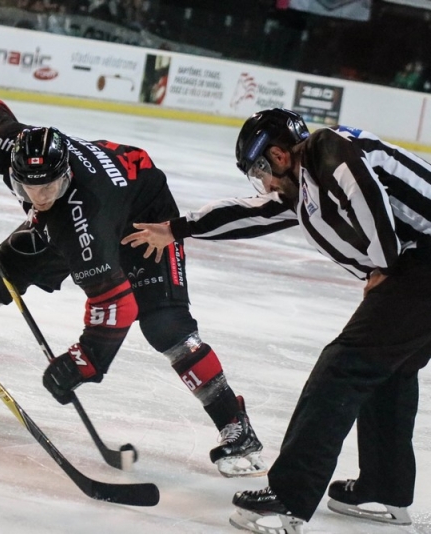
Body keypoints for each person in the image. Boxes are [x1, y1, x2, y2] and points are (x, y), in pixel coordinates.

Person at [0, 99, 268, 478]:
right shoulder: (10, 143)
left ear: (66, 176)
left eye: (49, 187)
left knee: (167, 327)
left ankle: (236, 426)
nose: (39, 197)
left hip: (145, 220)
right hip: (88, 203)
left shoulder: (85, 223)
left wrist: (85, 360)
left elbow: (117, 306)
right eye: (29, 188)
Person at [121, 108, 431, 532]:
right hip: (416, 264)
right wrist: (176, 229)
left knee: (342, 368)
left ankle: (288, 499)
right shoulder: (306, 185)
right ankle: (384, 489)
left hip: (420, 263)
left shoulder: (330, 150)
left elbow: (368, 198)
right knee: (390, 369)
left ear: (280, 155)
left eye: (261, 170)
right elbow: (249, 213)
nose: (264, 183)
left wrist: (384, 266)